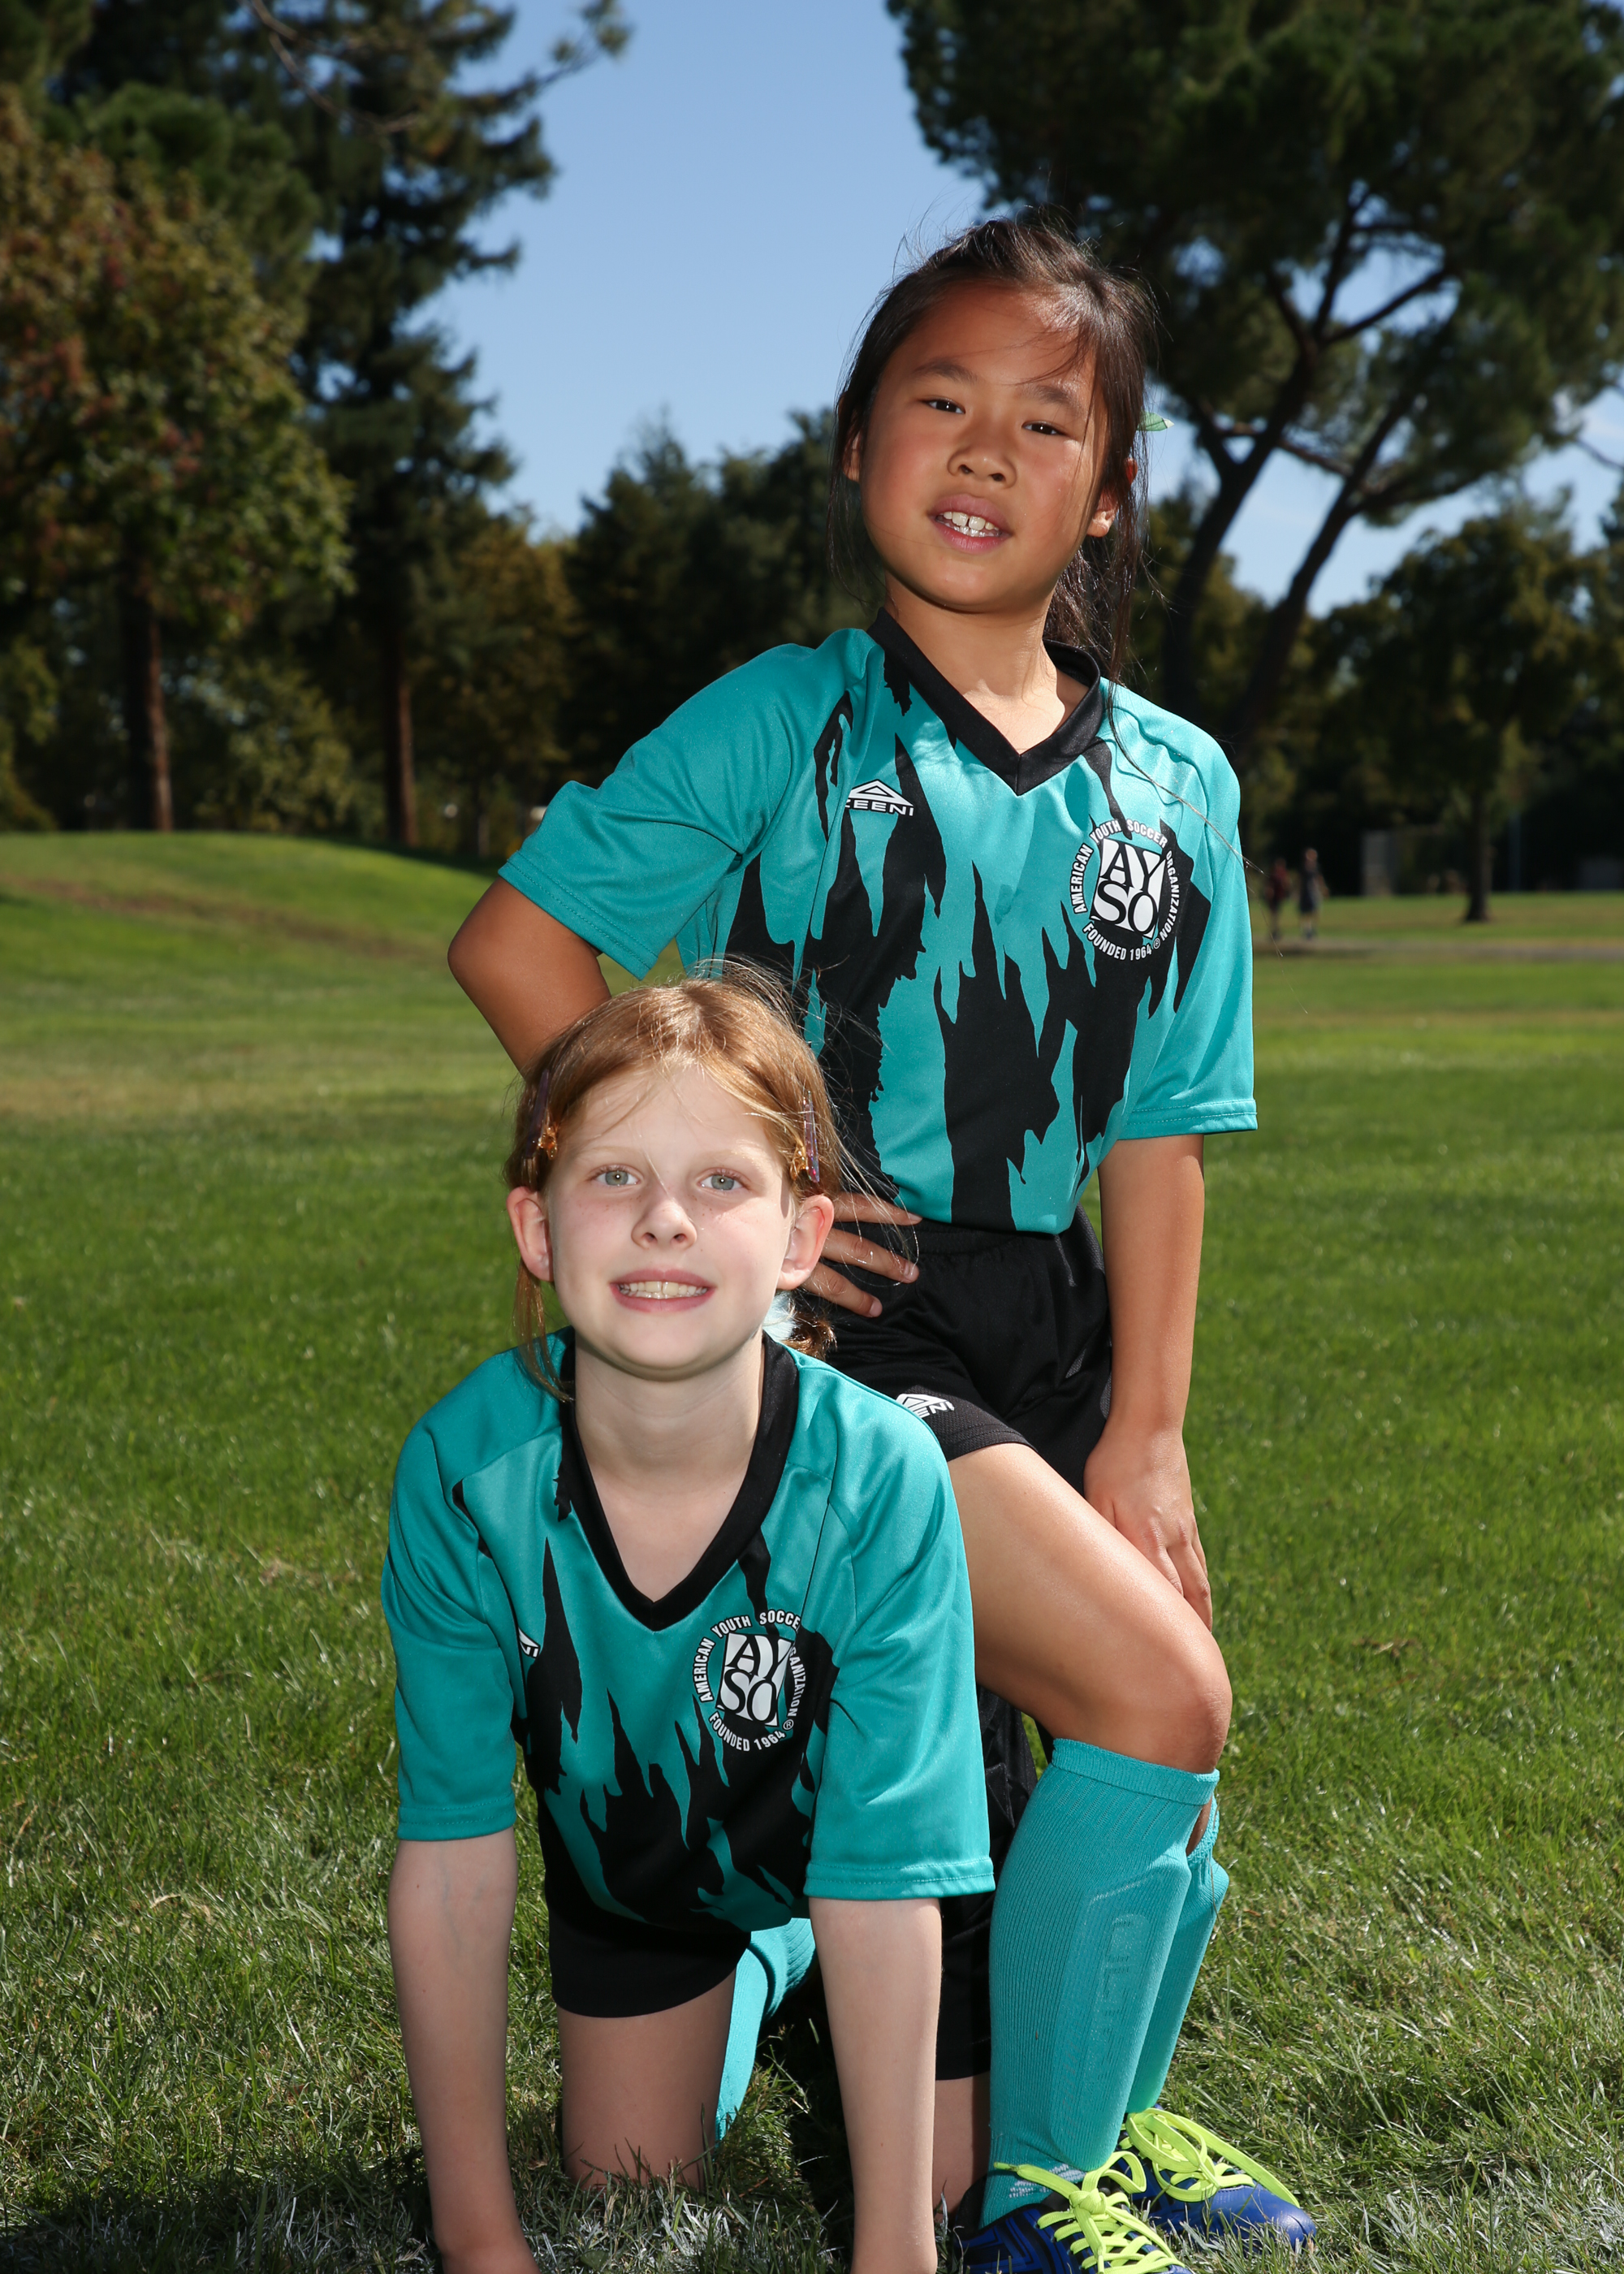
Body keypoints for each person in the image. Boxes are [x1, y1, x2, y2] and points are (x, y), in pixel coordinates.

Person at [446, 218, 1315, 2267]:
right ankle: (1026, 2194)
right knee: (1152, 1694)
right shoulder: (788, 720)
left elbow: (1159, 1135)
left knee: (1139, 1727)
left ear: (1107, 495)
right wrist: (711, 1189)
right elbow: (517, 943)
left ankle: (1073, 2117)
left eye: (1046, 421)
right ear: (854, 445)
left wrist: (1150, 1426)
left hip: (1057, 1317)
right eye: (939, 398)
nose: (986, 447)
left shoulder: (1175, 784)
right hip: (846, 1336)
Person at [382, 976, 994, 2274]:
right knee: (623, 2180)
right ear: (536, 1227)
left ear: (800, 1235)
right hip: (647, 1880)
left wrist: (894, 2257)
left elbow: (882, 1886)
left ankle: (828, 1963)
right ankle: (765, 1964)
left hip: (885, 1870)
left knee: (948, 2188)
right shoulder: (465, 1473)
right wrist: (478, 2240)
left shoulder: (880, 1479)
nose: (664, 1219)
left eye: (721, 1181)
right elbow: (451, 1860)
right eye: (614, 1177)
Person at [1298, 848, 1325, 941]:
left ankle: (1313, 928)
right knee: (1306, 912)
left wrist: (1321, 888)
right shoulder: (1304, 868)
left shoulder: (1316, 867)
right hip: (1306, 892)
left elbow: (1319, 878)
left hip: (1314, 891)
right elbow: (1300, 881)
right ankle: (1307, 929)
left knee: (1315, 910)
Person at [1265, 856, 1291, 943]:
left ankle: (1276, 931)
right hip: (1274, 898)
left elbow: (1286, 884)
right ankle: (1274, 931)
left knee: (1277, 915)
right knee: (1274, 915)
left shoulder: (1282, 874)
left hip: (1279, 897)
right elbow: (1270, 886)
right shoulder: (1273, 874)